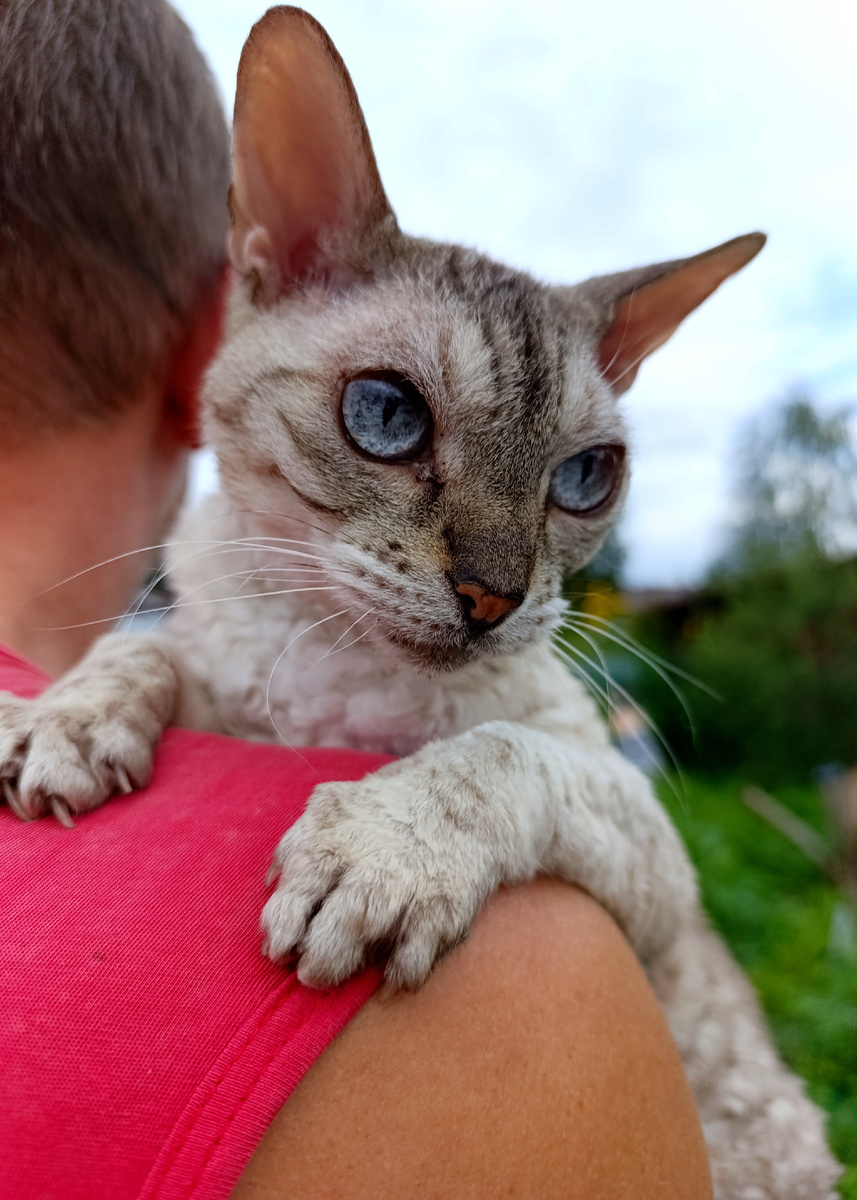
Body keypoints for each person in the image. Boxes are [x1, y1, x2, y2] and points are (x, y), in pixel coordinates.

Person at [0, 2, 712, 1197]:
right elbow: (202, 661)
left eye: (574, 479)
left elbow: (656, 882)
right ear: (266, 278)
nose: (493, 579)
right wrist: (133, 673)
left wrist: (481, 794)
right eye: (390, 414)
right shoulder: (215, 597)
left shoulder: (502, 680)